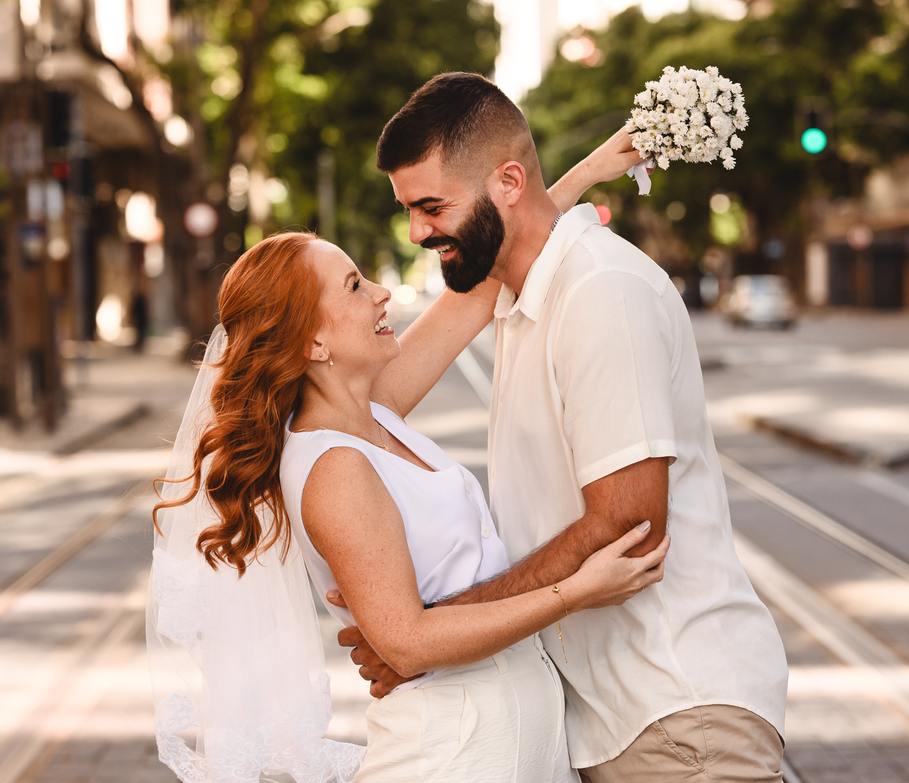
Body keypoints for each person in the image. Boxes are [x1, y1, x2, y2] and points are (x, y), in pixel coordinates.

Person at [333, 72, 790, 783]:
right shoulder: (521, 296)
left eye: (431, 207)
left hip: (676, 719)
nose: (418, 233)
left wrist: (429, 632)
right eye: (411, 211)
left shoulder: (601, 292)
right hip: (610, 724)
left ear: (509, 181)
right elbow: (524, 224)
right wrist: (417, 636)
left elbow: (630, 526)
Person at [147, 160, 668, 779]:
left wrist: (590, 169)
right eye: (353, 286)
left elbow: (483, 281)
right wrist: (575, 592)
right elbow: (407, 644)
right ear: (312, 343)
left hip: (504, 740)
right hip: (451, 752)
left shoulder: (374, 412)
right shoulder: (333, 467)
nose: (381, 292)